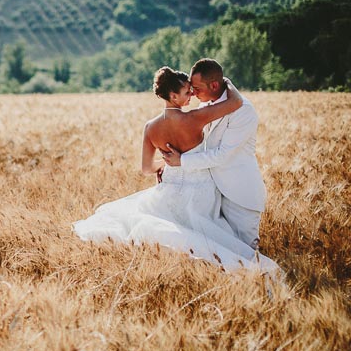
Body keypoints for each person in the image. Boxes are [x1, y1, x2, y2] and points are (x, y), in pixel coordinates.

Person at [72, 66, 278, 272]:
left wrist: (168, 163)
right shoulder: (196, 117)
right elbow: (235, 102)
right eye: (188, 92)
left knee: (172, 229)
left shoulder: (150, 127)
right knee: (203, 233)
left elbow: (146, 168)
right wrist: (228, 82)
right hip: (201, 188)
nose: (193, 95)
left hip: (170, 185)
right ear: (173, 95)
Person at [161, 58, 266, 249]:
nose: (192, 92)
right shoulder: (206, 105)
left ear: (215, 85)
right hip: (210, 196)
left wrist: (181, 162)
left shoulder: (244, 111)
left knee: (247, 253)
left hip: (239, 196)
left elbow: (222, 155)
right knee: (220, 254)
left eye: (197, 88)